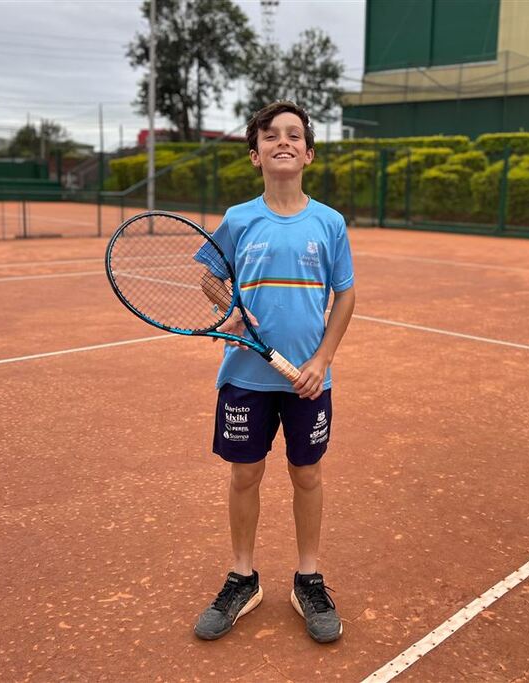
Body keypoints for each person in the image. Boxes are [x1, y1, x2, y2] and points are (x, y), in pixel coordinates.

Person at [191, 101, 356, 644]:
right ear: (256, 154)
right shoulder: (240, 219)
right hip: (245, 376)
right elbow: (210, 278)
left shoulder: (329, 222)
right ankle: (243, 577)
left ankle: (307, 578)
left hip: (308, 380)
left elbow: (346, 294)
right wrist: (228, 307)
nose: (281, 141)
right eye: (269, 135)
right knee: (245, 475)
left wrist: (322, 361)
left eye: (293, 135)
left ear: (308, 153)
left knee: (307, 475)